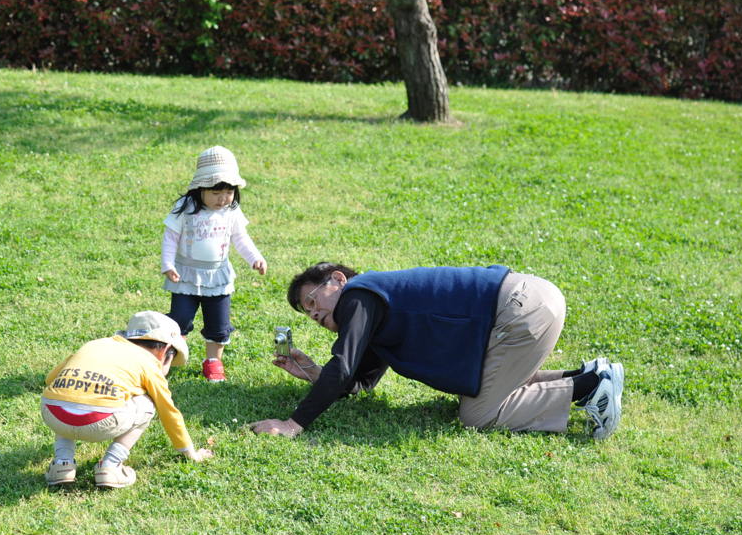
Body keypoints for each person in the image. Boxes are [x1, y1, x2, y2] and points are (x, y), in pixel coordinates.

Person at [250, 262, 624, 440]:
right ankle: (589, 376)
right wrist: (316, 373)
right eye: (309, 313)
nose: (316, 313)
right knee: (498, 384)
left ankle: (589, 390)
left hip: (519, 309)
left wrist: (292, 424)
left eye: (314, 299)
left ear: (338, 280)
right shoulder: (377, 309)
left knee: (477, 413)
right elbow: (359, 379)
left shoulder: (358, 295)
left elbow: (344, 367)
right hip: (530, 301)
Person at [41, 311, 213, 489]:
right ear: (164, 351)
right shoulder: (150, 363)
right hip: (99, 420)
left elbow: (50, 378)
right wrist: (190, 452)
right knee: (149, 403)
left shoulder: (95, 344)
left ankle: (62, 463)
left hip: (52, 413)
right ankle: (111, 466)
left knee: (68, 393)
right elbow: (168, 412)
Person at [162, 145, 267, 383]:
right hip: (186, 275)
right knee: (179, 319)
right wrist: (168, 264)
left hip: (217, 276)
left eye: (228, 192)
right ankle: (171, 355)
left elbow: (240, 239)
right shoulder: (185, 210)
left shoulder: (231, 212)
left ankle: (213, 362)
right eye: (216, 192)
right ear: (200, 188)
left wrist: (255, 258)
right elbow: (170, 238)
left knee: (218, 323)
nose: (223, 199)